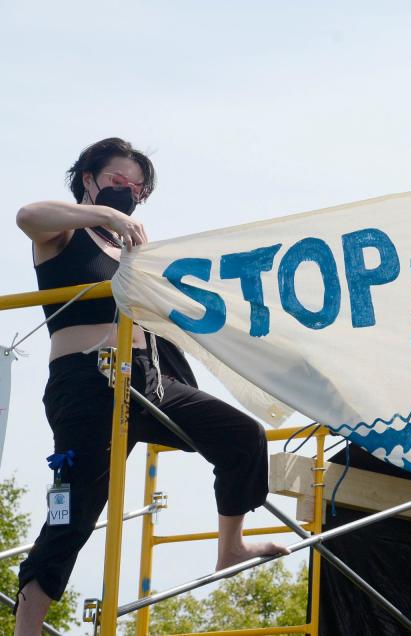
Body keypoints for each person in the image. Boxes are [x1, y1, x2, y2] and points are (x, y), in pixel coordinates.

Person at [13, 138, 288, 635]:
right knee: (73, 509)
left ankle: (231, 547)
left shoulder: (134, 253)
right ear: (90, 179)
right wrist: (108, 216)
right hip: (87, 382)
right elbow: (27, 215)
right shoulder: (62, 234)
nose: (127, 193)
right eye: (117, 181)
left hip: (148, 381)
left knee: (242, 437)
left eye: (135, 189)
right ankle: (28, 623)